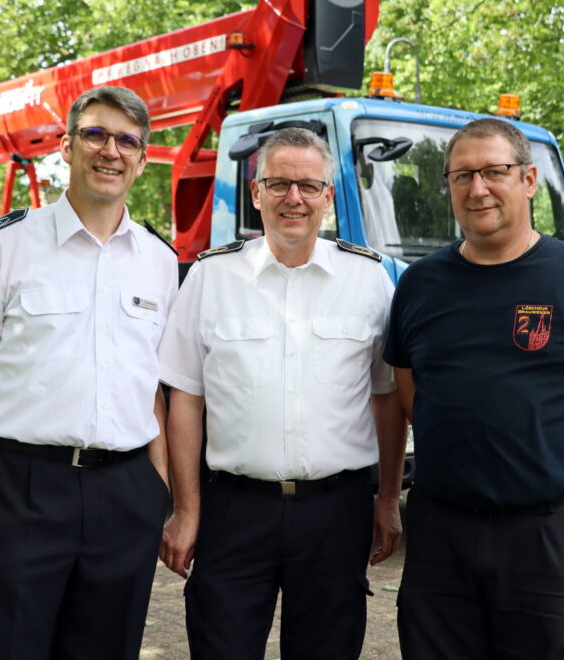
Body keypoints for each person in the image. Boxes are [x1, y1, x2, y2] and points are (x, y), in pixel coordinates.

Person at [0, 86, 177, 660]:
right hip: (21, 492)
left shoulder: (160, 263)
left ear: (142, 157)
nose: (111, 150)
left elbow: (153, 391)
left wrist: (159, 494)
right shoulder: (3, 247)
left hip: (125, 493)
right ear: (66, 146)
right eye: (96, 134)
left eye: (127, 140)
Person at [384, 117, 564, 659]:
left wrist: (546, 451)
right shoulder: (418, 286)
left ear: (528, 180)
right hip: (440, 535)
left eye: (494, 172)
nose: (477, 188)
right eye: (462, 176)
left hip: (547, 534)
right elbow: (413, 395)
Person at [157, 127, 407, 660]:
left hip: (336, 513)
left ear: (327, 196)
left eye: (308, 186)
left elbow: (387, 398)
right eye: (278, 184)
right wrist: (185, 507)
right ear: (254, 193)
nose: (294, 198)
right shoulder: (209, 278)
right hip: (233, 511)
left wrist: (387, 498)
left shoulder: (369, 281)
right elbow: (184, 400)